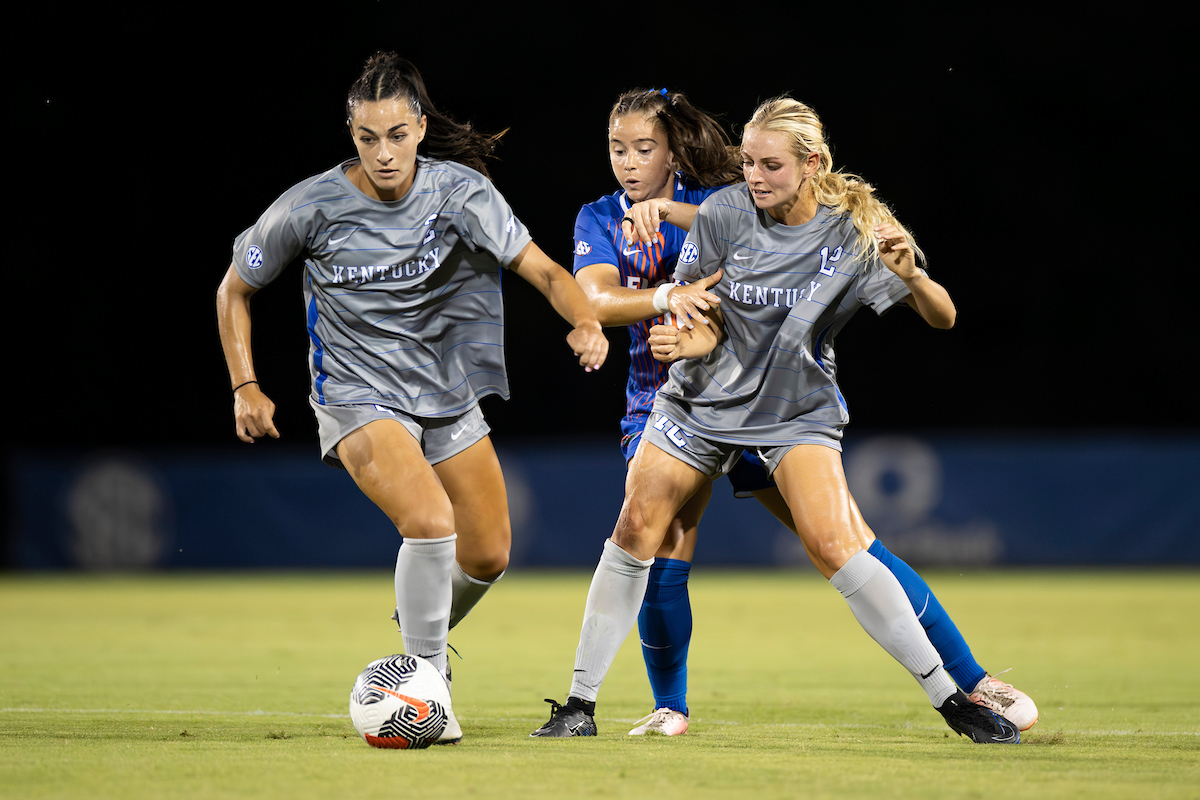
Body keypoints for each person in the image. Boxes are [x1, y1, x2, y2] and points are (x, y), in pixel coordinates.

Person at [533, 95, 1023, 743]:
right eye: (747, 163)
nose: (754, 177)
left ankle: (958, 692)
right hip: (697, 403)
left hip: (792, 409)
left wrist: (915, 278)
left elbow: (942, 317)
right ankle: (585, 705)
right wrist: (687, 337)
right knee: (640, 527)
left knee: (840, 545)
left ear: (811, 163)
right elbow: (692, 310)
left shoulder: (851, 232)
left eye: (768, 165)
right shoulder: (723, 209)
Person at [216, 52, 608, 745]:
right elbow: (233, 289)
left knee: (487, 554)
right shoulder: (310, 206)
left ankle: (416, 630)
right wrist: (246, 385)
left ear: (420, 128)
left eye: (396, 134)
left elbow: (546, 270)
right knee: (429, 522)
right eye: (367, 137)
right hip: (357, 396)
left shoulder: (460, 192)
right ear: (351, 133)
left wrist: (582, 319)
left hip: (447, 396)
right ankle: (427, 688)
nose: (383, 152)